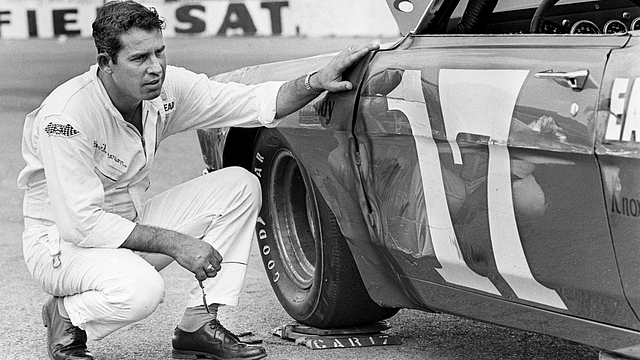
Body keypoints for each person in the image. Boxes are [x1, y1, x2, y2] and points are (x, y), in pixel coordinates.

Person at [17, 1, 379, 359]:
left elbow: (254, 101)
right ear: (106, 63)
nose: (155, 67)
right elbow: (82, 224)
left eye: (160, 52)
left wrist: (315, 81)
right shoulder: (66, 116)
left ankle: (199, 324)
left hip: (125, 227)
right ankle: (68, 315)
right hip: (62, 247)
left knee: (238, 185)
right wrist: (176, 244)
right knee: (141, 290)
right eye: (139, 58)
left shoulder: (167, 88)